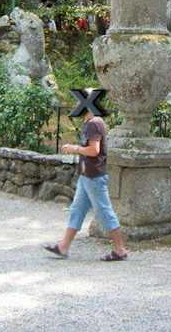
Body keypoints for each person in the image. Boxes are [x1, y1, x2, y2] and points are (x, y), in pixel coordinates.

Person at [43, 106, 128, 261]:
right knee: (77, 210)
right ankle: (63, 247)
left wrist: (74, 148)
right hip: (87, 177)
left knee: (104, 211)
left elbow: (94, 150)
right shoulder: (91, 122)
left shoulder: (94, 123)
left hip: (93, 177)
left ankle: (120, 250)